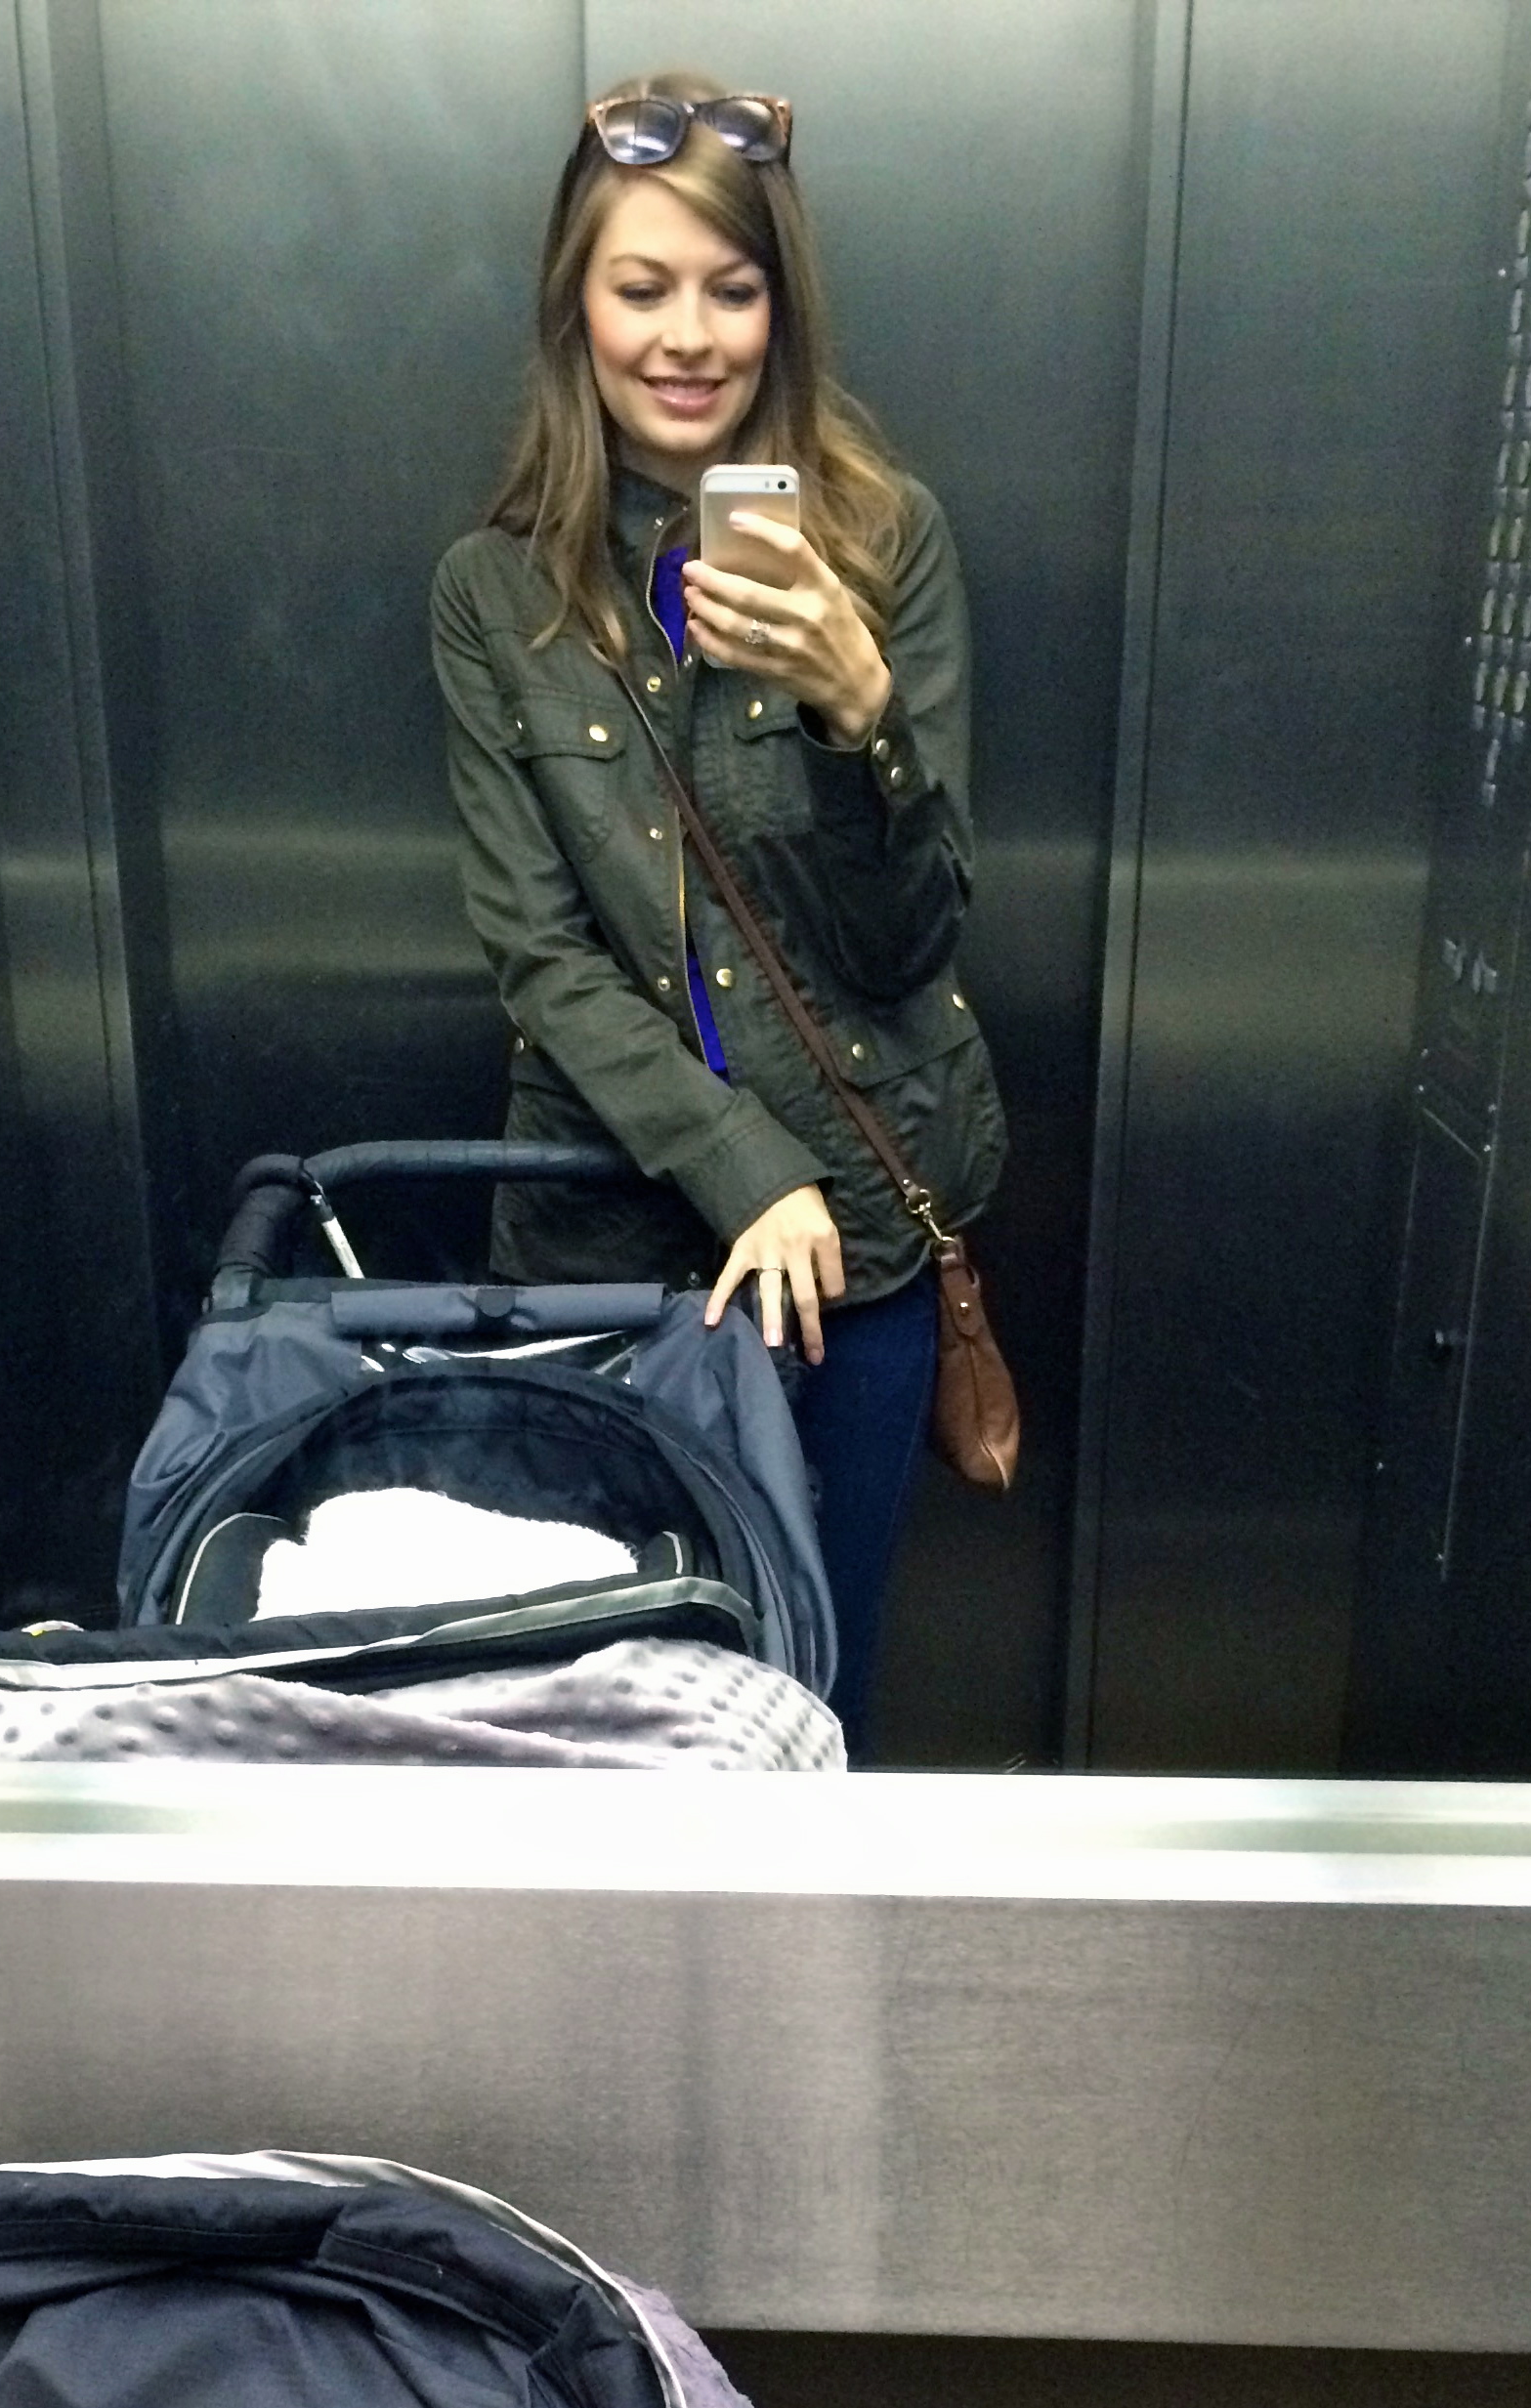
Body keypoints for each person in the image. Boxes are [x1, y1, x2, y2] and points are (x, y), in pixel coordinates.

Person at [430, 71, 1005, 1760]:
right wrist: (747, 1163)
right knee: (589, 1709)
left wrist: (859, 717)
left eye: (733, 289)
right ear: (578, 307)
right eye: (643, 286)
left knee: (816, 1691)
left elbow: (910, 943)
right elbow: (542, 955)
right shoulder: (495, 594)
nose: (689, 336)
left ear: (781, 307)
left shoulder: (884, 545)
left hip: (856, 1257)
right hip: (606, 1252)